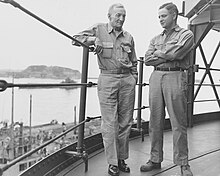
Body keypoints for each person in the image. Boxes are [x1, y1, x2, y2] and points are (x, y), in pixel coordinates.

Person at [72, 3, 138, 176]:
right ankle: (112, 162)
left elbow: (134, 61)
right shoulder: (98, 29)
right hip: (107, 78)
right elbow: (75, 39)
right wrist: (94, 40)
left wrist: (133, 79)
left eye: (124, 16)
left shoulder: (128, 37)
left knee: (125, 122)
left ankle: (122, 159)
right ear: (109, 16)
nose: (121, 19)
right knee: (110, 123)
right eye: (118, 15)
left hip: (127, 80)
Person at [140, 2, 194, 176]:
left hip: (175, 76)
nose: (160, 20)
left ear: (174, 15)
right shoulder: (155, 39)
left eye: (163, 16)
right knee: (155, 121)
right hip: (156, 77)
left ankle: (183, 163)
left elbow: (177, 54)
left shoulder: (186, 34)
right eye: (159, 17)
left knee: (178, 123)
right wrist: (165, 55)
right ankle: (155, 159)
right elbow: (148, 59)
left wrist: (160, 53)